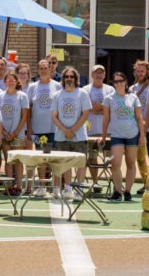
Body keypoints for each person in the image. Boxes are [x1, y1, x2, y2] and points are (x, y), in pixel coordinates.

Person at [100, 71, 145, 201]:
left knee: (131, 163)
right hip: (117, 135)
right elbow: (106, 118)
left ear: (125, 82)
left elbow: (139, 117)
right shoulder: (109, 98)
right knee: (115, 163)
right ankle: (118, 191)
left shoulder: (133, 97)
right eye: (115, 81)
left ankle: (128, 191)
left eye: (120, 81)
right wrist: (103, 136)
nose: (118, 84)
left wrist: (142, 135)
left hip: (132, 134)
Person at [52, 66, 92, 201]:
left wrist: (73, 130)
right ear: (63, 79)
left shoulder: (82, 93)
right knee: (66, 164)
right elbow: (54, 116)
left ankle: (79, 189)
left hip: (79, 136)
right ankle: (68, 188)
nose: (69, 79)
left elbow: (85, 114)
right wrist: (65, 130)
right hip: (61, 136)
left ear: (76, 79)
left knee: (80, 163)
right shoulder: (57, 95)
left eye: (72, 77)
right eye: (66, 77)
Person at [27, 59, 62, 196]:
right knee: (41, 159)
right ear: (38, 70)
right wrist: (30, 129)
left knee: (54, 159)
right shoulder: (32, 87)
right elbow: (28, 109)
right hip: (38, 129)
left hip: (54, 129)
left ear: (50, 69)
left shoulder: (57, 86)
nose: (43, 71)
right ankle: (41, 186)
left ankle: (56, 187)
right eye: (40, 68)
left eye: (45, 68)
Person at [82, 64, 114, 189]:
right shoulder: (85, 89)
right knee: (92, 157)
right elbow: (87, 108)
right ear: (92, 75)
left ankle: (113, 183)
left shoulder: (110, 90)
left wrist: (97, 109)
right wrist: (102, 108)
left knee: (110, 158)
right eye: (96, 73)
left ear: (104, 75)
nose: (98, 75)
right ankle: (95, 182)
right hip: (91, 132)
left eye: (101, 72)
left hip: (108, 131)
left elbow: (110, 108)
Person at [0, 71, 29, 193]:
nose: (10, 82)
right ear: (4, 82)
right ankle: (10, 185)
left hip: (18, 134)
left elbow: (24, 116)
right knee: (8, 160)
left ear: (17, 82)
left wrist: (16, 132)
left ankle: (19, 186)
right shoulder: (0, 96)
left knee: (18, 161)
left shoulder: (22, 96)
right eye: (8, 80)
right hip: (5, 134)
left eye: (13, 80)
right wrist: (4, 132)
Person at [129, 60, 149, 194]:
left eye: (142, 71)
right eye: (137, 71)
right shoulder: (132, 89)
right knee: (140, 158)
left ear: (148, 72)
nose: (139, 74)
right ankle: (147, 183)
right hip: (136, 128)